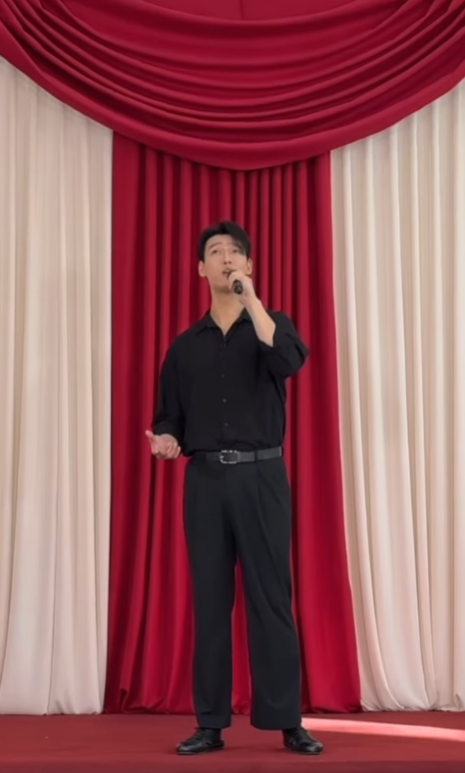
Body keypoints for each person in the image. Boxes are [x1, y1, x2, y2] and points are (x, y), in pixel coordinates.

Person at [146, 221, 323, 757]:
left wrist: (252, 301)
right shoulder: (184, 348)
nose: (225, 258)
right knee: (210, 602)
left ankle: (287, 721)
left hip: (262, 477)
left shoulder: (271, 325)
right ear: (200, 268)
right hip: (205, 482)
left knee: (272, 600)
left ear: (248, 265)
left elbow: (290, 360)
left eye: (234, 252)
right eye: (215, 252)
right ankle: (210, 724)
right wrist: (167, 441)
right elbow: (169, 417)